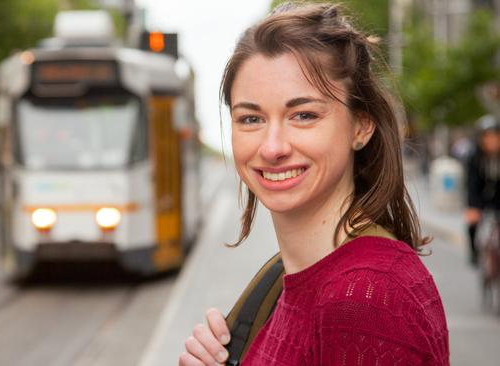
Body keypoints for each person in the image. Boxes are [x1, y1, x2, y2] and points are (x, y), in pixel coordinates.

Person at [179, 2, 449, 365]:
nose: (272, 147)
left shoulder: (366, 301)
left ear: (361, 125)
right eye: (251, 118)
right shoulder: (290, 276)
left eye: (303, 115)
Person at [465, 114, 500, 266]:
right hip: (481, 196)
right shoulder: (475, 157)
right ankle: (474, 252)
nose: (491, 141)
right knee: (472, 222)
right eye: (487, 137)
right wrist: (473, 207)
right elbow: (472, 183)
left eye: (494, 136)